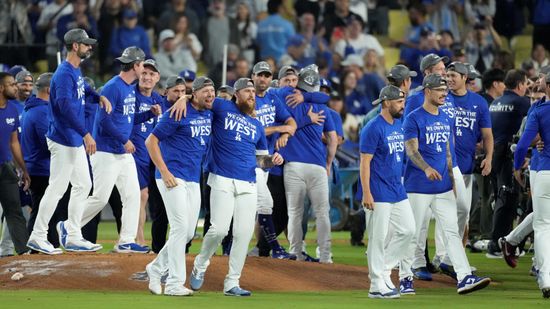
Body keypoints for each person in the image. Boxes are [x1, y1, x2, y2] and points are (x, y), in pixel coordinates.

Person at [189, 78, 282, 297]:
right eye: (247, 91)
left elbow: (261, 160)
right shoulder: (223, 106)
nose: (251, 94)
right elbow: (200, 100)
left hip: (248, 181)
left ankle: (232, 282)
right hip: (221, 177)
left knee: (243, 233)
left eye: (253, 91)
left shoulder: (257, 126)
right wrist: (185, 97)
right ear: (236, 94)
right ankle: (200, 264)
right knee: (219, 229)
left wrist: (273, 160)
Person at [64, 47, 160, 253]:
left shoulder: (128, 88)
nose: (143, 69)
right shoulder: (113, 87)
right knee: (100, 197)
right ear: (135, 65)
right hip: (106, 150)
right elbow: (103, 121)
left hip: (122, 152)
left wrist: (149, 115)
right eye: (142, 64)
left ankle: (126, 240)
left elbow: (128, 119)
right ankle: (69, 226)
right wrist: (124, 140)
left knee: (133, 195)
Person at [401, 73, 491, 294]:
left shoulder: (445, 117)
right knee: (412, 232)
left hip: (442, 187)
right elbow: (411, 149)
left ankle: (464, 277)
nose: (444, 94)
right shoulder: (413, 117)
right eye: (439, 90)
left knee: (452, 232)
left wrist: (451, 180)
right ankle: (404, 278)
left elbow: (449, 153)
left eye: (445, 91)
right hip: (418, 187)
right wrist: (426, 168)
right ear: (427, 92)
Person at [27, 28, 111, 255]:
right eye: (86, 44)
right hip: (64, 139)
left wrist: (98, 96)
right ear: (75, 46)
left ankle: (72, 234)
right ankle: (38, 235)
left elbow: (82, 91)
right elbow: (64, 107)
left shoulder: (74, 70)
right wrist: (85, 133)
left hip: (72, 139)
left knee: (83, 185)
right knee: (57, 188)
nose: (90, 47)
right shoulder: (64, 73)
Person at [145, 76, 214, 296]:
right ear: (196, 93)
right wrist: (164, 172)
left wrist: (184, 96)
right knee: (178, 228)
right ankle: (174, 283)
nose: (211, 95)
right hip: (172, 177)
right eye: (206, 91)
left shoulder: (209, 112)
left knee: (187, 233)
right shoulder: (176, 112)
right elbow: (151, 141)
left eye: (212, 91)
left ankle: (155, 268)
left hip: (193, 178)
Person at [432, 62, 493, 276]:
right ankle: (441, 256)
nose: (448, 78)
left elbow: (486, 134)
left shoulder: (478, 102)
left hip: (466, 167)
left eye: (453, 75)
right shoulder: (442, 99)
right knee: (447, 212)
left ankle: (451, 257)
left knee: (463, 213)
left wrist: (489, 157)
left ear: (465, 77)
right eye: (447, 75)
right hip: (443, 167)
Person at [360, 85, 415, 299]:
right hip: (378, 190)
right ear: (386, 103)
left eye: (403, 101)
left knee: (408, 230)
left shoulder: (399, 124)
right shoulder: (373, 128)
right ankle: (375, 284)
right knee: (378, 237)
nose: (403, 105)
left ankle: (383, 270)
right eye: (399, 102)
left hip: (397, 189)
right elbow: (365, 163)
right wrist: (366, 192)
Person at [279, 69, 338, 263]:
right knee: (322, 213)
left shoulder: (288, 101)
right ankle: (326, 256)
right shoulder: (323, 107)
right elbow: (332, 139)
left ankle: (295, 252)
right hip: (317, 166)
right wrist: (328, 163)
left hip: (294, 165)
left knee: (295, 213)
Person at [250, 61, 297, 259]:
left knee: (260, 205)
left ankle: (263, 249)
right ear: (253, 76)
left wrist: (286, 135)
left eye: (267, 75)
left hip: (265, 158)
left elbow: (291, 122)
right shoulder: (249, 98)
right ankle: (274, 248)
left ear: (271, 79)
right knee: (265, 203)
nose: (263, 79)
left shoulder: (271, 98)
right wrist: (280, 130)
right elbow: (254, 130)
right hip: (250, 157)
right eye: (260, 75)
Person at [512, 72, 550, 299]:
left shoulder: (538, 111)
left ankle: (545, 277)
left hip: (544, 171)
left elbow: (521, 146)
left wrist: (517, 168)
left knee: (543, 226)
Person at [486, 69, 530, 258]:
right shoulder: (521, 102)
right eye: (526, 85)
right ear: (520, 85)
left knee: (500, 197)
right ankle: (497, 244)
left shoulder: (496, 103)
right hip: (507, 154)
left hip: (493, 152)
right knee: (507, 197)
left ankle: (499, 241)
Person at [20, 73, 63, 247]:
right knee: (43, 211)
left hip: (35, 167)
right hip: (42, 168)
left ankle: (42, 246)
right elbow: (48, 142)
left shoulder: (29, 108)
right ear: (49, 89)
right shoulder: (42, 111)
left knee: (43, 210)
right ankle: (38, 246)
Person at [130, 59, 165, 247]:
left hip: (151, 154)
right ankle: (139, 239)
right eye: (144, 73)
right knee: (140, 195)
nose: (147, 77)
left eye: (152, 74)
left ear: (157, 77)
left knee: (148, 197)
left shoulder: (158, 99)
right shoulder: (131, 94)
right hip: (134, 152)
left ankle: (137, 239)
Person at [0, 72, 30, 256]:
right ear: (1, 88)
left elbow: (14, 143)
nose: (16, 87)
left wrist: (23, 169)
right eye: (11, 84)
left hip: (6, 168)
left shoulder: (12, 110)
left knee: (15, 211)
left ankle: (23, 252)